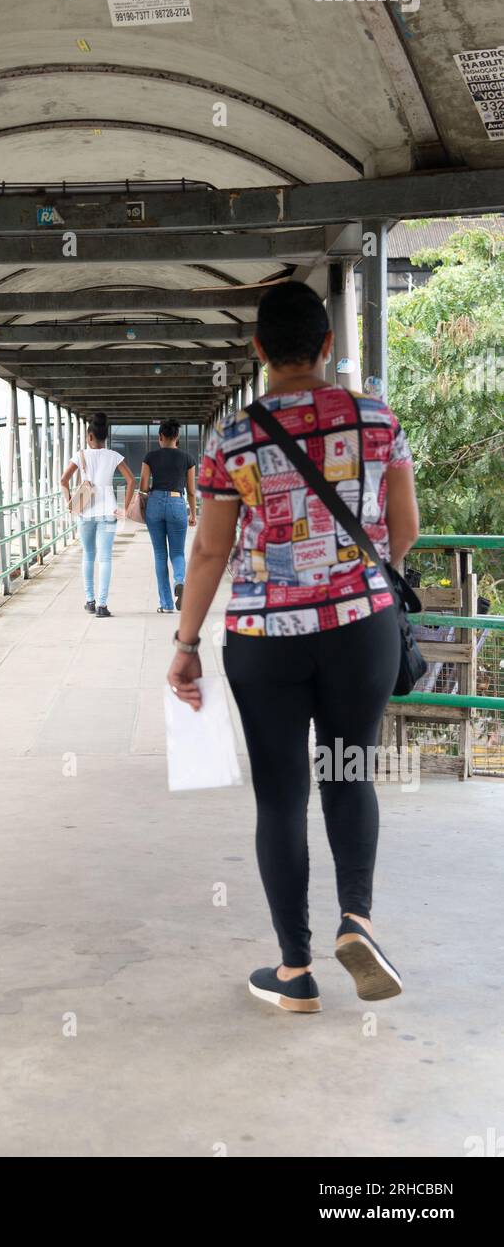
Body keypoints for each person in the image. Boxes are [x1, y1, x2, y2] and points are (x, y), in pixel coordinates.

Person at [167, 280, 420, 1015]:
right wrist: (359, 580)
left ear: (256, 351)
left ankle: (292, 973)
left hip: (264, 641)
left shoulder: (234, 437)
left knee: (280, 798)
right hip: (359, 631)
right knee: (349, 772)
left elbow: (211, 553)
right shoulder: (374, 420)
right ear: (326, 346)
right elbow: (402, 531)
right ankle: (357, 921)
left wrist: (185, 642)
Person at [61, 412, 135, 618]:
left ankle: (90, 601)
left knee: (88, 555)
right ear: (105, 437)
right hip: (109, 513)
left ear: (89, 436)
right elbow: (131, 481)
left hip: (85, 513)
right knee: (105, 558)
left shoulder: (80, 455)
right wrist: (126, 508)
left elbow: (63, 480)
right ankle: (102, 605)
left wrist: (69, 502)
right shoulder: (113, 456)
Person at [140, 419, 197, 612]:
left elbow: (143, 487)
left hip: (155, 503)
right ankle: (179, 581)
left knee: (159, 554)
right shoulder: (187, 458)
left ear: (160, 437)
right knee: (178, 552)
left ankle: (166, 605)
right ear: (177, 437)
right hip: (176, 502)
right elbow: (191, 490)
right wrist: (193, 514)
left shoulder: (150, 457)